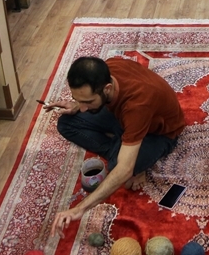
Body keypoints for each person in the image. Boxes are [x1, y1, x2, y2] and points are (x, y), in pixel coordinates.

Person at [49, 56, 185, 236]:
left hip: (160, 134)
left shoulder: (137, 105)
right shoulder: (108, 67)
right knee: (66, 123)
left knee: (117, 168)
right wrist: (76, 105)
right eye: (79, 100)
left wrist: (79, 208)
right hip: (124, 118)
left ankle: (127, 148)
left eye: (88, 102)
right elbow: (82, 108)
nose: (82, 108)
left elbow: (124, 170)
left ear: (107, 88)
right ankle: (126, 146)